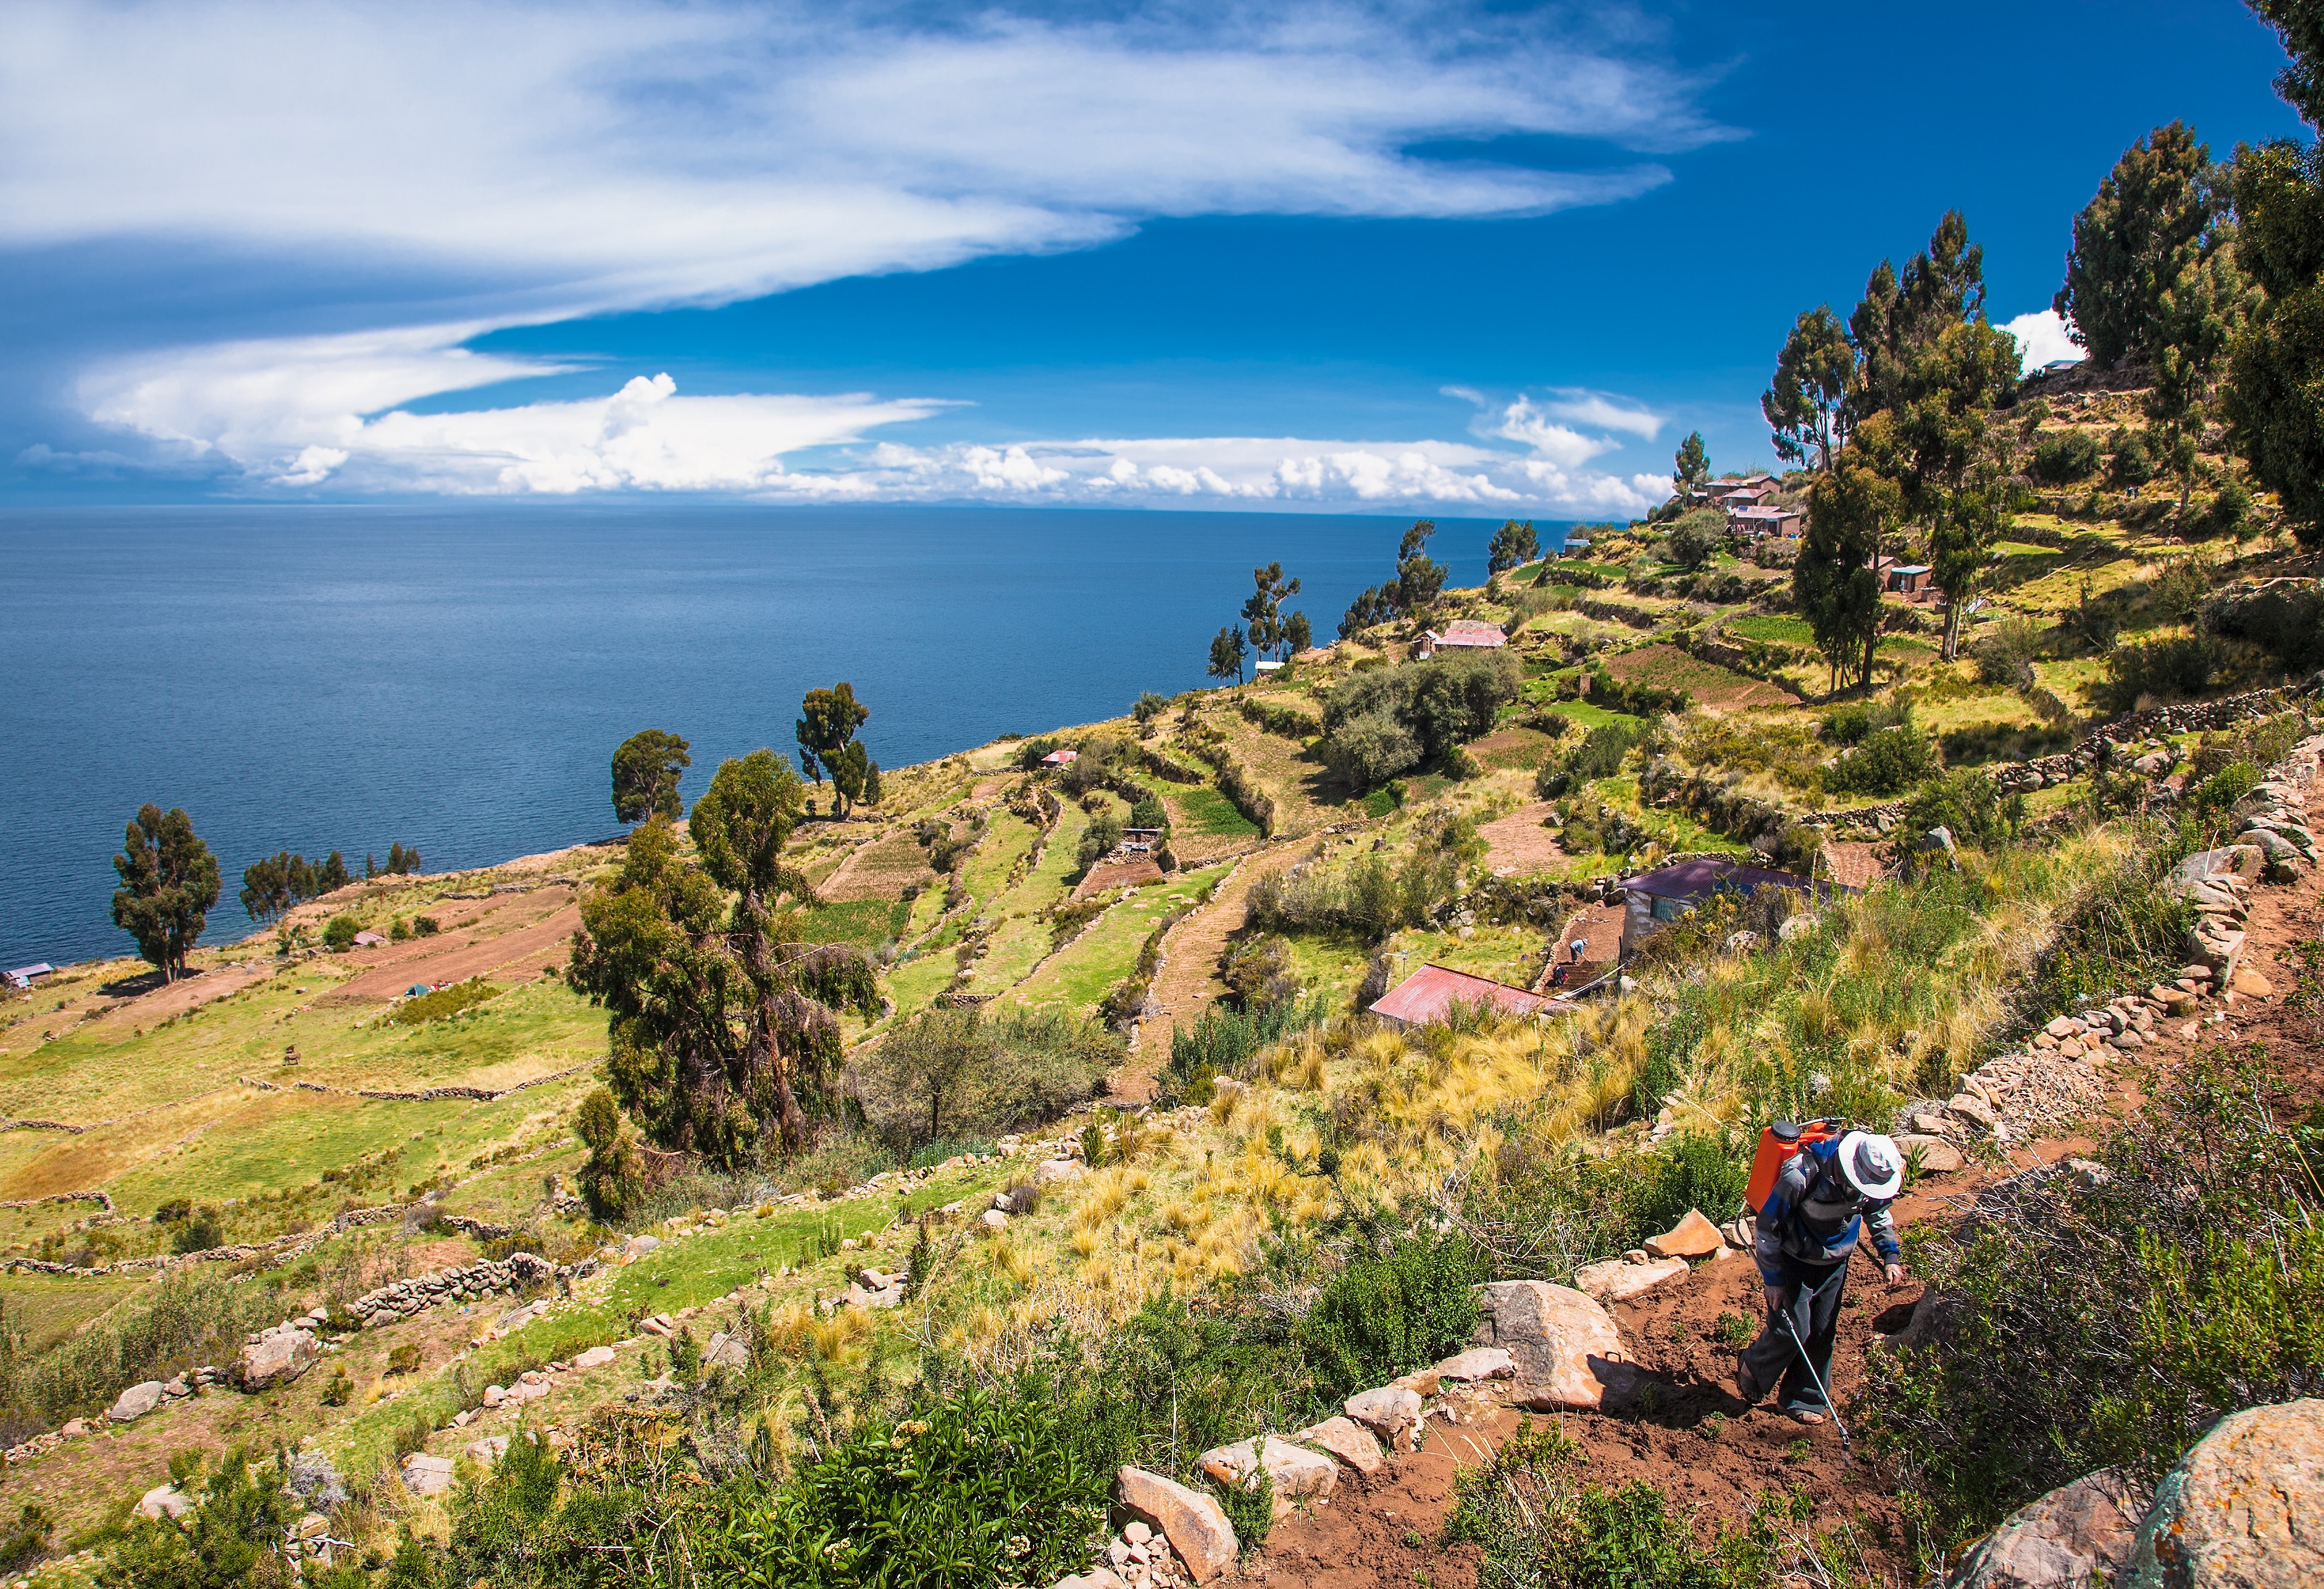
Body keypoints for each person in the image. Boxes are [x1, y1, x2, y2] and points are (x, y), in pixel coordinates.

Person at [1735, 1129, 1905, 1424]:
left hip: (1835, 1262)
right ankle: (1753, 1369)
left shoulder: (1870, 1180)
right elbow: (1767, 1228)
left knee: (1824, 1330)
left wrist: (1890, 1255)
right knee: (1793, 1330)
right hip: (1794, 1261)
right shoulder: (1800, 1175)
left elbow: (1878, 1214)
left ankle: (1804, 1399)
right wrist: (1773, 1280)